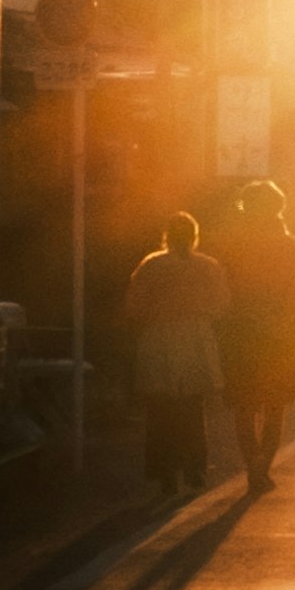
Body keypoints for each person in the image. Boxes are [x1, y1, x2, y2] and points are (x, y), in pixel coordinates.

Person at [213, 179, 295, 490]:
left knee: (244, 406)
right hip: (283, 336)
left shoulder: (233, 246)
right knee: (276, 405)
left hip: (241, 335)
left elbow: (223, 293)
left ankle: (253, 464)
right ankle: (262, 466)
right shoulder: (294, 247)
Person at [125, 207, 234, 492]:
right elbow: (221, 305)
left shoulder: (151, 265)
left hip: (158, 339)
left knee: (161, 411)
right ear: (195, 236)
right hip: (196, 337)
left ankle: (166, 474)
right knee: (193, 409)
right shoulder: (208, 266)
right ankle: (195, 469)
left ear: (167, 236)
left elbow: (134, 306)